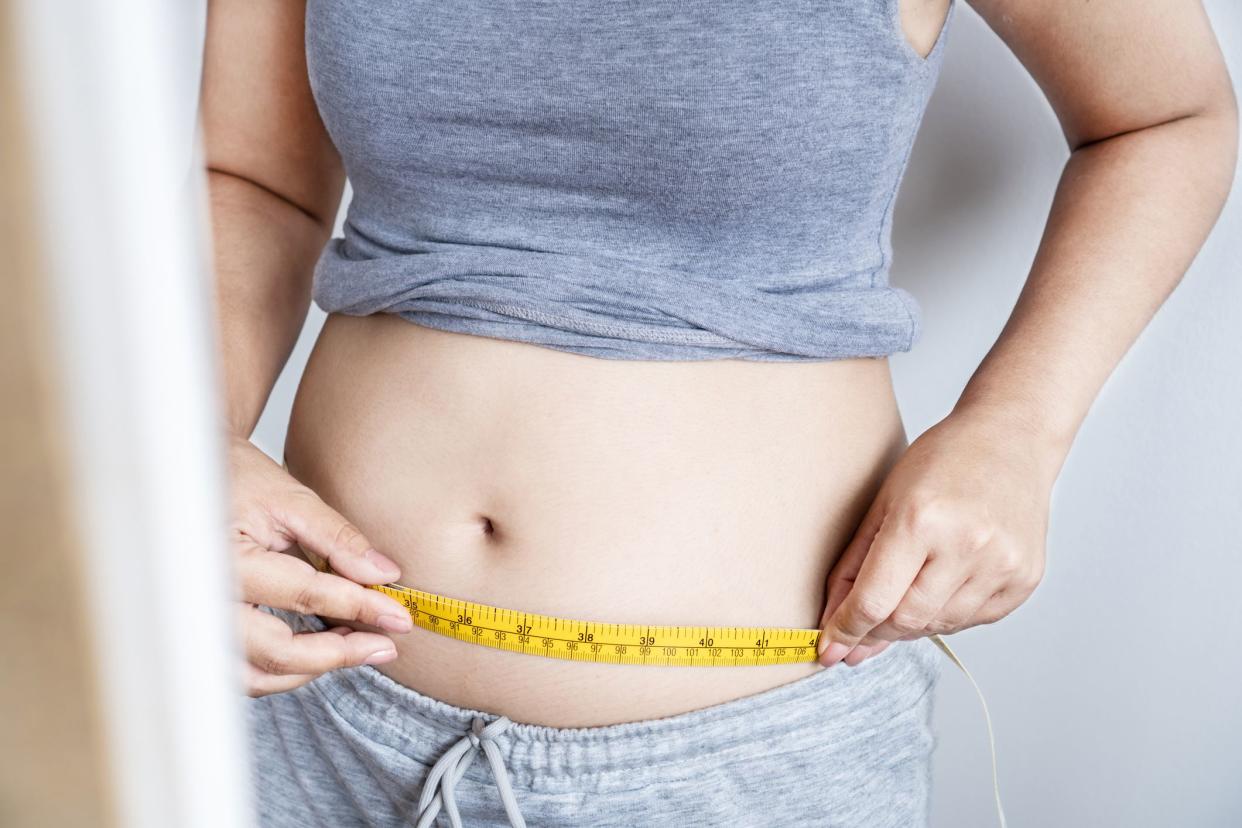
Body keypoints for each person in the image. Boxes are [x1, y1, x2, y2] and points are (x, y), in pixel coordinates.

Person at [201, 0, 1237, 825]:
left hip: (742, 764)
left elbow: (1168, 116)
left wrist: (1019, 429)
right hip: (312, 704)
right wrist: (195, 445)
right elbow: (254, 176)